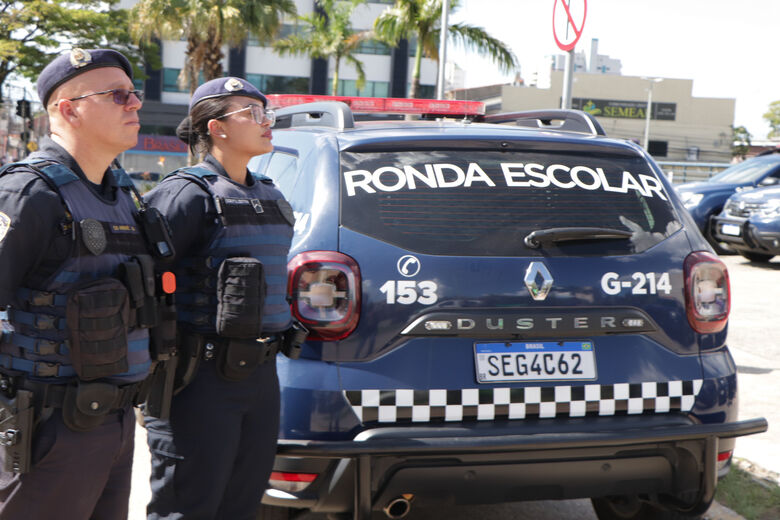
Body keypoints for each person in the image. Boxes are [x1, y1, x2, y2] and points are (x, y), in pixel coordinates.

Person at [0, 48, 173, 519]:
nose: (134, 103)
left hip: (113, 427)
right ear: (68, 109)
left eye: (133, 93)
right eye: (117, 95)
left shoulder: (122, 195)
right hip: (48, 432)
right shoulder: (27, 195)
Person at [144, 77, 305, 520]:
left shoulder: (270, 194)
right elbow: (143, 282)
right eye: (251, 113)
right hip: (199, 380)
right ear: (216, 128)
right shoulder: (185, 194)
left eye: (265, 111)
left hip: (261, 376)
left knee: (242, 504)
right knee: (188, 506)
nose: (265, 121)